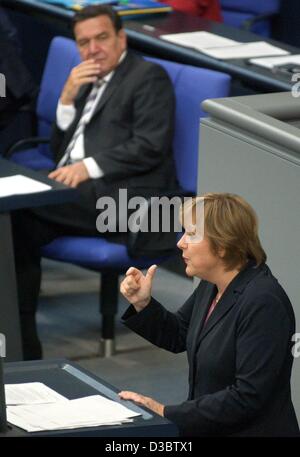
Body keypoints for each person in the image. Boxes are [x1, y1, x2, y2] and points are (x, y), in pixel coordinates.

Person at [11, 4, 177, 360]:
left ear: (121, 37)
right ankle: (22, 344)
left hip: (132, 204)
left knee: (19, 209)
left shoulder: (148, 77)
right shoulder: (88, 80)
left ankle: (23, 346)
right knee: (15, 225)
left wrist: (88, 166)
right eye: (83, 42)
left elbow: (151, 144)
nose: (93, 49)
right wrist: (68, 97)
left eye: (101, 38)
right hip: (86, 193)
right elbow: (61, 153)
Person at [119, 193, 299, 436]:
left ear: (223, 245)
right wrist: (144, 303)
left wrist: (165, 412)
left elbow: (247, 396)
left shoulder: (264, 303)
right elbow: (179, 334)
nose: (181, 242)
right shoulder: (213, 284)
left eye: (191, 234)